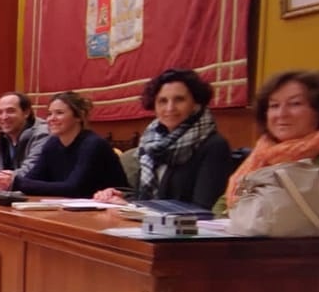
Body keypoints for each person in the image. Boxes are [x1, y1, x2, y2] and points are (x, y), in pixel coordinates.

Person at [215, 69, 319, 290]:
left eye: (295, 104)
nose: (281, 114)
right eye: (274, 106)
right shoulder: (263, 155)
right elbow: (224, 207)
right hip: (261, 255)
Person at [92, 69, 233, 209]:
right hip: (150, 220)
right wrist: (122, 198)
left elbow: (203, 208)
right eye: (162, 101)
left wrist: (138, 206)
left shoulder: (214, 146)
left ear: (196, 103)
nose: (170, 108)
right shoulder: (151, 144)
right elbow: (148, 197)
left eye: (179, 99)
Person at [0, 91, 124, 197]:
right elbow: (32, 179)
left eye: (59, 113)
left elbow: (74, 188)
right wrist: (11, 182)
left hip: (111, 208)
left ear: (79, 116)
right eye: (49, 114)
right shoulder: (52, 144)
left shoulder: (93, 144)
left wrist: (16, 182)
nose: (51, 119)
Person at [0, 92, 50, 183]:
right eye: (0, 112)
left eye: (10, 111)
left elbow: (29, 172)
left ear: (26, 113)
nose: (4, 117)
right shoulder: (5, 136)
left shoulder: (43, 134)